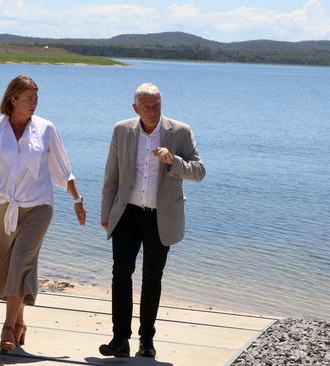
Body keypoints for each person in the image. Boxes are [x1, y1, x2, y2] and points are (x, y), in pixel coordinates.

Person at [0, 75, 86, 353]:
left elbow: (62, 170)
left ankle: (7, 327)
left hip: (39, 206)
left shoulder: (46, 129)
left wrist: (77, 199)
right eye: (29, 98)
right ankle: (20, 322)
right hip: (4, 206)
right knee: (9, 265)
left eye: (36, 98)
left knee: (21, 260)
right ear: (13, 99)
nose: (35, 103)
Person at [99, 83, 205, 358]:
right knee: (120, 275)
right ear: (135, 108)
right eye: (146, 106)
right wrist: (105, 214)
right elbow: (111, 174)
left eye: (156, 105)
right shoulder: (122, 129)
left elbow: (199, 171)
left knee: (152, 277)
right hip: (126, 214)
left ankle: (147, 340)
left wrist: (174, 162)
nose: (152, 110)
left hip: (161, 215)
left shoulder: (180, 131)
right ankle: (119, 338)